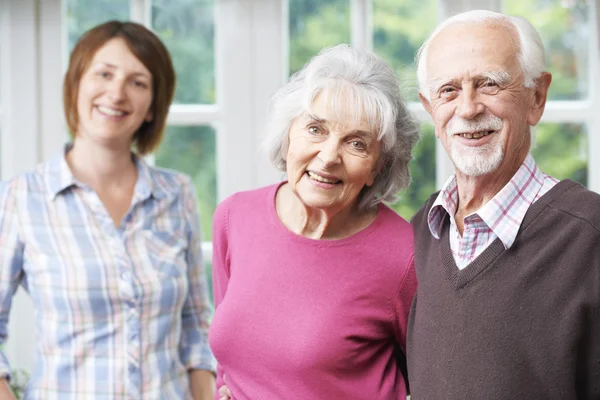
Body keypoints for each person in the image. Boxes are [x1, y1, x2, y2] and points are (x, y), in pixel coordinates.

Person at [0, 21, 216, 399]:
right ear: (77, 84)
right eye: (104, 74)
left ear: (152, 106)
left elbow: (196, 326)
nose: (116, 93)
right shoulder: (21, 196)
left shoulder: (177, 193)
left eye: (138, 82)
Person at [407, 9, 600, 399]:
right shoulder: (417, 236)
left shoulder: (590, 234)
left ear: (537, 97)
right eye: (448, 91)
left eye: (489, 84)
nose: (468, 108)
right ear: (430, 109)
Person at [209, 44, 420, 400]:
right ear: (288, 132)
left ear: (377, 167)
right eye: (315, 129)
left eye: (356, 143)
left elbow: (433, 378)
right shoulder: (234, 217)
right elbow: (228, 364)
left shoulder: (405, 256)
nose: (328, 157)